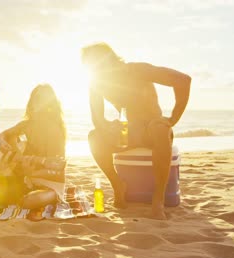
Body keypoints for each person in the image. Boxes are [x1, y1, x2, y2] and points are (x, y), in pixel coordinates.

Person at [81, 42, 191, 220]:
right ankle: (117, 184)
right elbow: (97, 119)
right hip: (129, 132)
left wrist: (172, 119)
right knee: (94, 136)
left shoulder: (137, 70)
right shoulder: (98, 83)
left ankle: (158, 199)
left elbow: (183, 80)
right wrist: (109, 126)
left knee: (160, 130)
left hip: (152, 128)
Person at [0, 84, 66, 210]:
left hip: (49, 183)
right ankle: (17, 189)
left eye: (41, 99)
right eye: (34, 98)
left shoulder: (54, 130)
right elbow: (6, 134)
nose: (36, 102)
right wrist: (2, 141)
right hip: (27, 180)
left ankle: (35, 194)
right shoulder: (26, 125)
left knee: (29, 201)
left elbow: (59, 171)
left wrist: (32, 171)